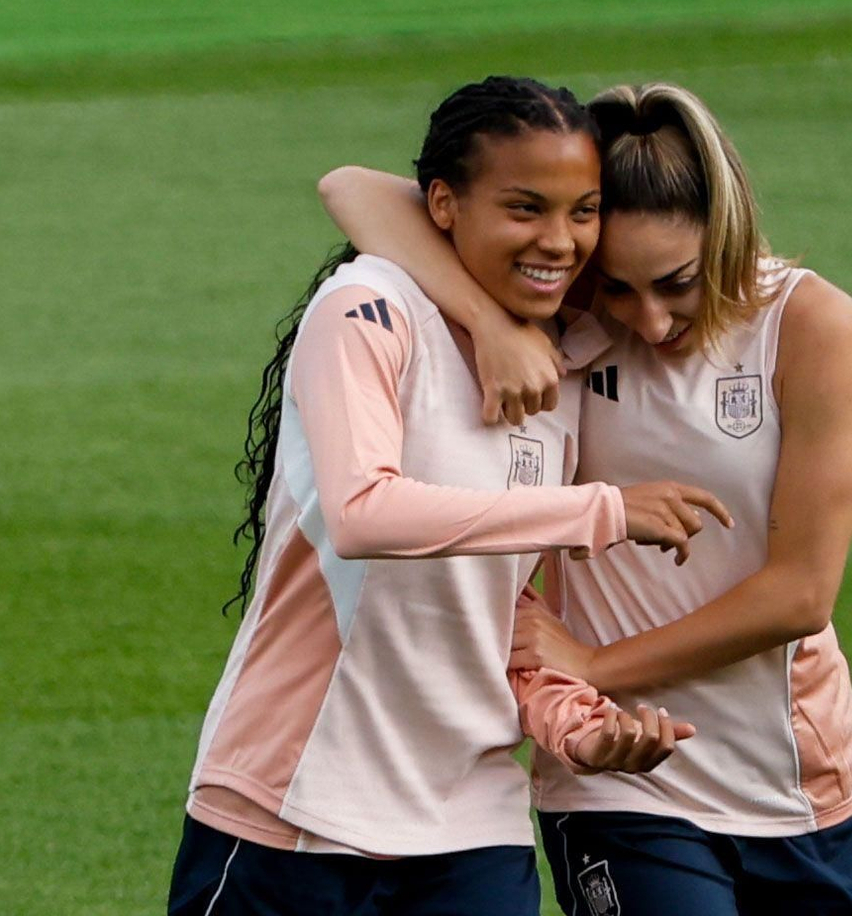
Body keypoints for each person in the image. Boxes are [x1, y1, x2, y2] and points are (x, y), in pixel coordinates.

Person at [169, 77, 725, 916]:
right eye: (524, 208)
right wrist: (603, 510)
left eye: (582, 210)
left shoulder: (563, 367)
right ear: (442, 203)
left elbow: (496, 615)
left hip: (470, 826)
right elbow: (366, 513)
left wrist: (583, 725)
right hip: (297, 803)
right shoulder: (367, 311)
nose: (560, 240)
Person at [318, 81, 852, 915]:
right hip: (613, 781)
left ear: (727, 233)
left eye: (678, 283)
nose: (648, 320)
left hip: (792, 772)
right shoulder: (565, 320)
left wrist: (596, 663)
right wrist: (494, 323)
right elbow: (352, 188)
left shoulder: (809, 325)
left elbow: (801, 592)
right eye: (618, 286)